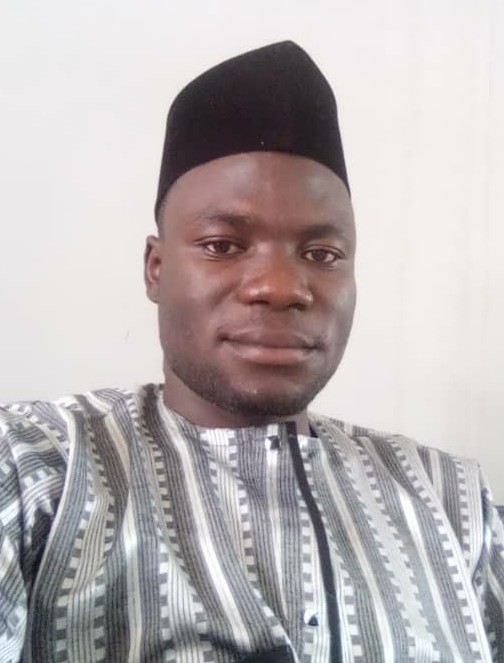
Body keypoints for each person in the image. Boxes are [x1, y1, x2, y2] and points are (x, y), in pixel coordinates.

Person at [0, 41, 503, 663]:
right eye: (222, 245)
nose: (282, 288)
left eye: (321, 254)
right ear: (156, 268)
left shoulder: (451, 498)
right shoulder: (39, 467)